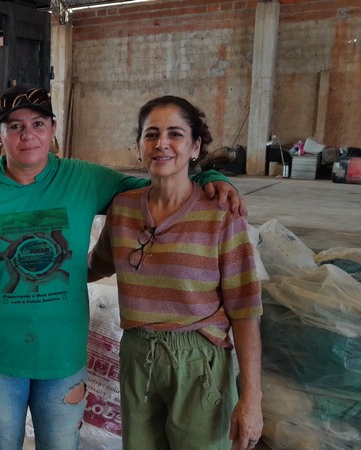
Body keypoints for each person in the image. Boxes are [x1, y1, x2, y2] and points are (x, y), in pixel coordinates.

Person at [0, 84, 246, 449]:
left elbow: (157, 185)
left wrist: (212, 178)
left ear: (53, 129)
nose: (28, 136)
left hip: (62, 353)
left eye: (38, 124)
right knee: (2, 440)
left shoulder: (84, 179)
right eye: (15, 126)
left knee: (59, 441)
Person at [88, 95, 263, 450]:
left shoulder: (222, 214)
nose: (162, 144)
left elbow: (245, 313)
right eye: (151, 134)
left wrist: (252, 399)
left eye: (175, 134)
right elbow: (94, 267)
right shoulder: (122, 211)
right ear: (139, 148)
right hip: (138, 355)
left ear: (196, 147)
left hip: (200, 361)